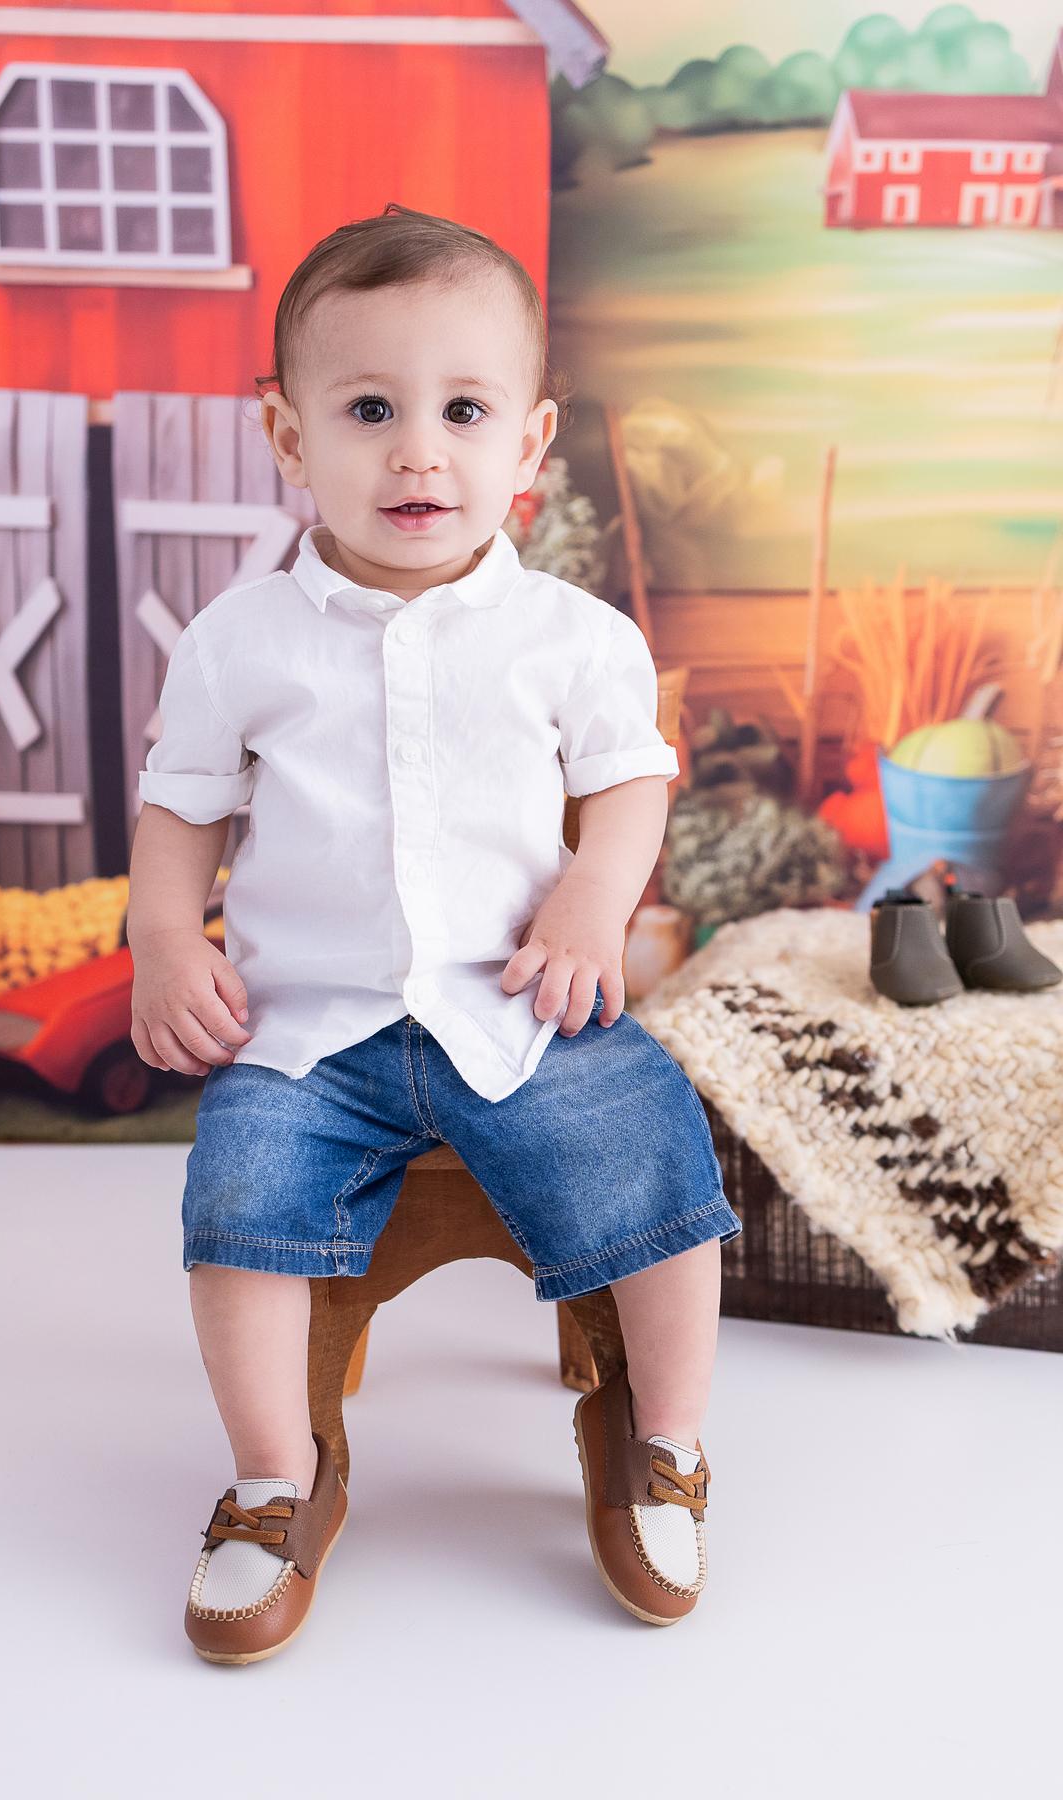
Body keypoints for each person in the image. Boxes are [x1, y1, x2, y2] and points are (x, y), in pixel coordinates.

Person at [127, 206, 741, 1664]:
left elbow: (628, 789)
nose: (419, 454)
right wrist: (163, 932)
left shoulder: (573, 639)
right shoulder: (242, 640)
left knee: (662, 1163)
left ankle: (663, 1442)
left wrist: (594, 899)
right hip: (309, 1029)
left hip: (524, 1013)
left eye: (463, 412)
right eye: (369, 411)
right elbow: (181, 806)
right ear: (288, 436)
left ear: (530, 443)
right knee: (239, 1208)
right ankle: (277, 1476)